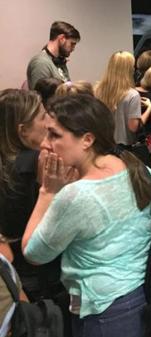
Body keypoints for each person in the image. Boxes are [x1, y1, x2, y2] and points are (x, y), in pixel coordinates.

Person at [21, 94, 151, 337]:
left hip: (103, 310)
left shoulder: (76, 195)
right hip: (143, 293)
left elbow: (33, 252)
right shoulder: (134, 166)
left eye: (55, 135)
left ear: (87, 139)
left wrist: (47, 192)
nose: (44, 143)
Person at [0, 89, 71, 334]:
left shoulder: (7, 164)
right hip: (44, 271)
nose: (48, 120)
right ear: (22, 130)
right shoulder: (38, 161)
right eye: (42, 116)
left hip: (14, 275)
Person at [95, 51, 148, 147]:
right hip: (124, 148)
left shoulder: (97, 90)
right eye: (132, 66)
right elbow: (133, 127)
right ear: (128, 70)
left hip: (102, 145)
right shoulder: (132, 95)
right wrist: (149, 109)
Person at [27, 21, 80, 89]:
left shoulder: (59, 61)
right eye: (72, 44)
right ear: (62, 39)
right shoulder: (41, 63)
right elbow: (41, 97)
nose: (73, 49)